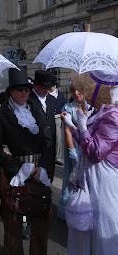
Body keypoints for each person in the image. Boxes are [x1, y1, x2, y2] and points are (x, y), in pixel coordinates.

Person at [0, 67, 53, 255]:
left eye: (27, 89)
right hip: (14, 174)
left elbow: (48, 139)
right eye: (20, 89)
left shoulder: (35, 109)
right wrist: (21, 169)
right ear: (11, 91)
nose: (24, 92)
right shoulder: (1, 116)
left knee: (40, 224)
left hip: (39, 173)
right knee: (14, 225)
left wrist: (41, 167)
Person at [62, 72, 118, 255]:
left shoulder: (113, 116)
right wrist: (73, 126)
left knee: (103, 225)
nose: (84, 96)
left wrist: (83, 128)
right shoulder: (100, 112)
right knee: (88, 227)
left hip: (104, 182)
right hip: (92, 178)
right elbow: (87, 144)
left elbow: (96, 152)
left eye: (89, 92)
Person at [57, 78, 94, 220]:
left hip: (89, 147)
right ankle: (69, 212)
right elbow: (68, 131)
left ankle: (86, 211)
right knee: (71, 179)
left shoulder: (92, 106)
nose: (76, 93)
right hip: (75, 146)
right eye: (73, 91)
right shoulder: (68, 107)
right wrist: (72, 151)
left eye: (79, 90)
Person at [28, 70, 57, 180]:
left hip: (50, 150)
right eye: (44, 87)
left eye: (48, 87)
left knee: (48, 183)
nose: (47, 90)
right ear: (36, 85)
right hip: (36, 150)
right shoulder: (29, 99)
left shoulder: (51, 100)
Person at [49, 76, 66, 165]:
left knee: (59, 138)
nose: (51, 87)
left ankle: (58, 157)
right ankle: (51, 156)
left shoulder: (60, 94)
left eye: (52, 85)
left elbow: (63, 105)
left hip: (58, 118)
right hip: (49, 119)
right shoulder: (47, 94)